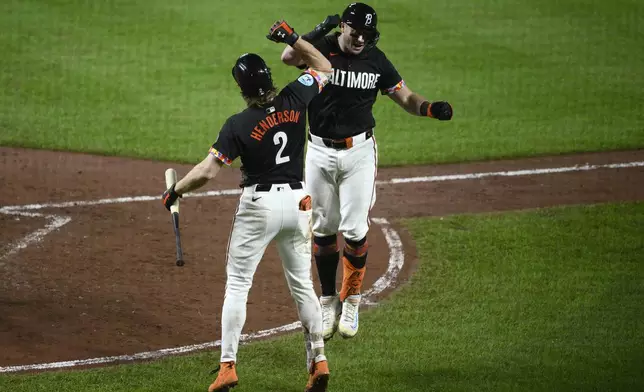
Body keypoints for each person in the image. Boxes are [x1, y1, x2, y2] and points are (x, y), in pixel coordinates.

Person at [162, 20, 333, 392]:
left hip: (260, 205)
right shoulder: (296, 95)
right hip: (299, 201)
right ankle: (318, 359)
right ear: (270, 77)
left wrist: (176, 191)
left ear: (241, 88)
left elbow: (208, 171)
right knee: (303, 285)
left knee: (239, 284)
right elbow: (324, 68)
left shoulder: (238, 124)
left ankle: (228, 366)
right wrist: (293, 39)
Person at [280, 3, 453, 341]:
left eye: (367, 33)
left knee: (355, 229)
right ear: (342, 26)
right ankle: (328, 298)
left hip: (359, 152)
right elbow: (288, 57)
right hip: (317, 150)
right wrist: (320, 28)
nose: (361, 38)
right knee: (323, 228)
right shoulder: (321, 50)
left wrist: (429, 109)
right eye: (355, 31)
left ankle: (353, 298)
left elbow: (404, 96)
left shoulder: (376, 60)